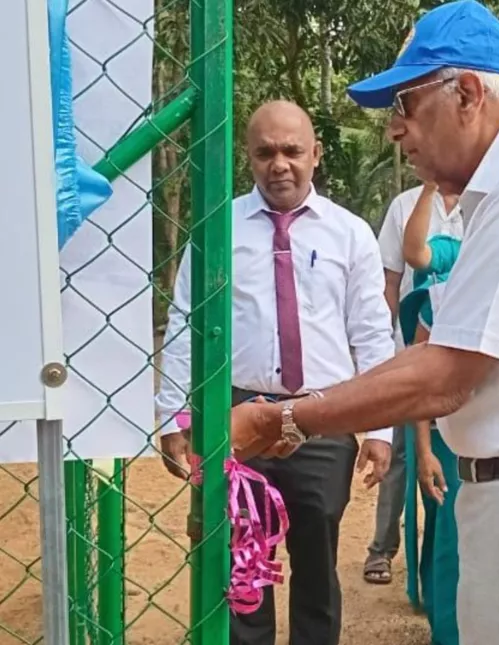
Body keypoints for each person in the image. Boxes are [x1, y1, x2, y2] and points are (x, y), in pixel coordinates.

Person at [227, 2, 499, 644]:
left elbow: (446, 375)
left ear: (465, 94)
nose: (395, 130)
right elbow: (438, 351)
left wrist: (283, 418)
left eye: (406, 104)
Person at [154, 100, 394, 645]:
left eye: (292, 151)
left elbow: (373, 334)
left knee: (317, 561)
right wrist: (172, 413)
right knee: (242, 567)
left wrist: (380, 429)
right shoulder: (217, 231)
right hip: (239, 417)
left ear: (316, 154)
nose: (279, 164)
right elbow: (186, 321)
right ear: (249, 157)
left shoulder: (350, 234)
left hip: (322, 416)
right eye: (265, 152)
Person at [364, 178, 462, 586]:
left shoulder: (484, 202)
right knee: (399, 452)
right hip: (408, 347)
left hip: (460, 352)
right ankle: (381, 550)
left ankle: (440, 568)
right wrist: (384, 346)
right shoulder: (405, 206)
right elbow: (391, 279)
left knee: (452, 459)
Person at [395, 191, 463, 645]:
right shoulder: (455, 252)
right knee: (451, 538)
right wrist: (423, 450)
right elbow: (415, 252)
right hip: (448, 435)